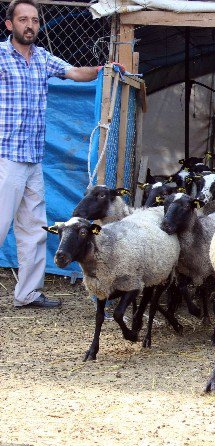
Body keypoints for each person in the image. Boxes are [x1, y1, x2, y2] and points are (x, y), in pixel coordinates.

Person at [0, 0, 115, 308]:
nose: (30, 25)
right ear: (10, 24)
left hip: (32, 159)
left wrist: (102, 70)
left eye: (35, 20)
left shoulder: (41, 58)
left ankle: (28, 294)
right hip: (5, 156)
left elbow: (75, 73)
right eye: (23, 19)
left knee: (34, 228)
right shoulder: (0, 57)